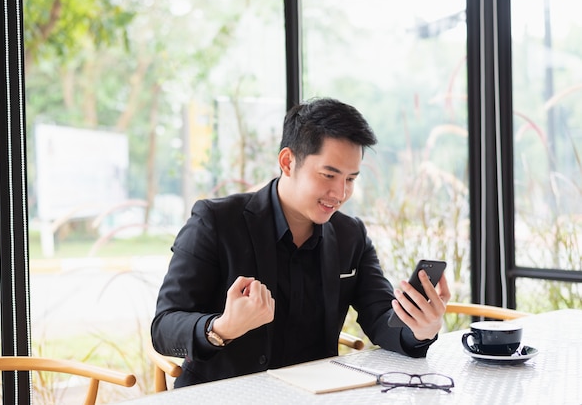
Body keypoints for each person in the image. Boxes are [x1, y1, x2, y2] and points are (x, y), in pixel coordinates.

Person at [151, 97, 451, 388]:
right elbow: (164, 327)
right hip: (224, 395)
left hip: (313, 396)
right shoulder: (215, 221)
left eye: (350, 179)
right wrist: (223, 328)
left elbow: (381, 318)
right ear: (287, 162)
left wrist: (420, 330)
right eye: (328, 175)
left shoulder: (351, 235)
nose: (340, 193)